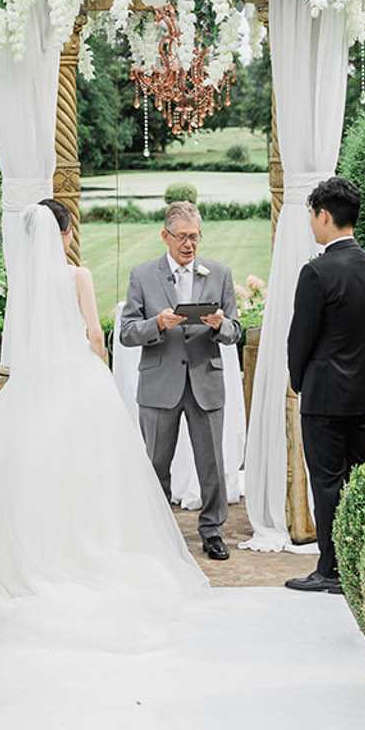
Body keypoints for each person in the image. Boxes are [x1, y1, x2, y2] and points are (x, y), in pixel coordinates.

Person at [0, 201, 208, 613]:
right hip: (77, 376)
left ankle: (36, 548)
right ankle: (89, 545)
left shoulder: (25, 284)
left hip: (32, 382)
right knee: (92, 467)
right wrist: (101, 369)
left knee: (35, 465)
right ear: (66, 233)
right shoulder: (77, 276)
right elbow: (94, 334)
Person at [116, 200, 243, 561]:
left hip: (205, 382)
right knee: (156, 463)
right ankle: (157, 533)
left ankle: (213, 531)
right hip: (160, 385)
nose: (189, 244)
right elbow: (126, 332)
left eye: (195, 237)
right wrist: (157, 323)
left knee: (212, 464)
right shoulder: (143, 275)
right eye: (182, 237)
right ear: (165, 236)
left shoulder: (218, 273)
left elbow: (236, 330)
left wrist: (220, 325)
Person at [284, 176, 365, 595]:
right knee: (358, 480)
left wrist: (298, 381)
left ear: (324, 215)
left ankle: (330, 568)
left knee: (327, 484)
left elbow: (300, 338)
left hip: (325, 395)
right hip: (364, 391)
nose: (312, 223)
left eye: (312, 215)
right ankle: (357, 563)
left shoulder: (316, 272)